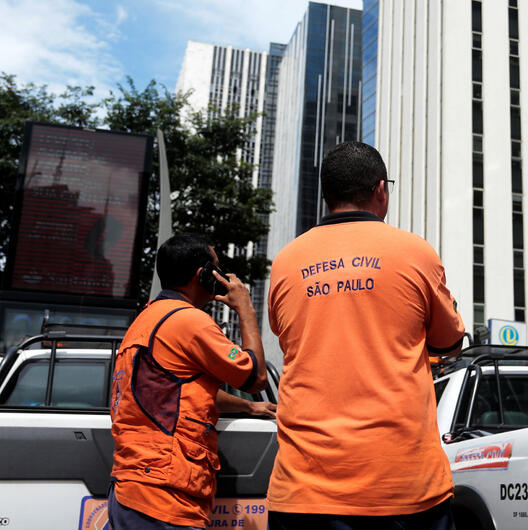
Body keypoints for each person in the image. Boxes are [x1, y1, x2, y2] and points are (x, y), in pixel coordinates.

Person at [267, 141, 466, 530]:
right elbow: (449, 342)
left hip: (303, 489)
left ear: (326, 196)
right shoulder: (415, 253)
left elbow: (288, 339)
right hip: (402, 489)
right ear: (380, 190)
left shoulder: (286, 262)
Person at [108, 233, 272, 529]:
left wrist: (249, 409)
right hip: (165, 493)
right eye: (217, 269)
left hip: (134, 485)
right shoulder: (189, 321)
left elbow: (176, 391)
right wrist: (245, 308)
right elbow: (255, 377)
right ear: (203, 275)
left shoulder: (147, 319)